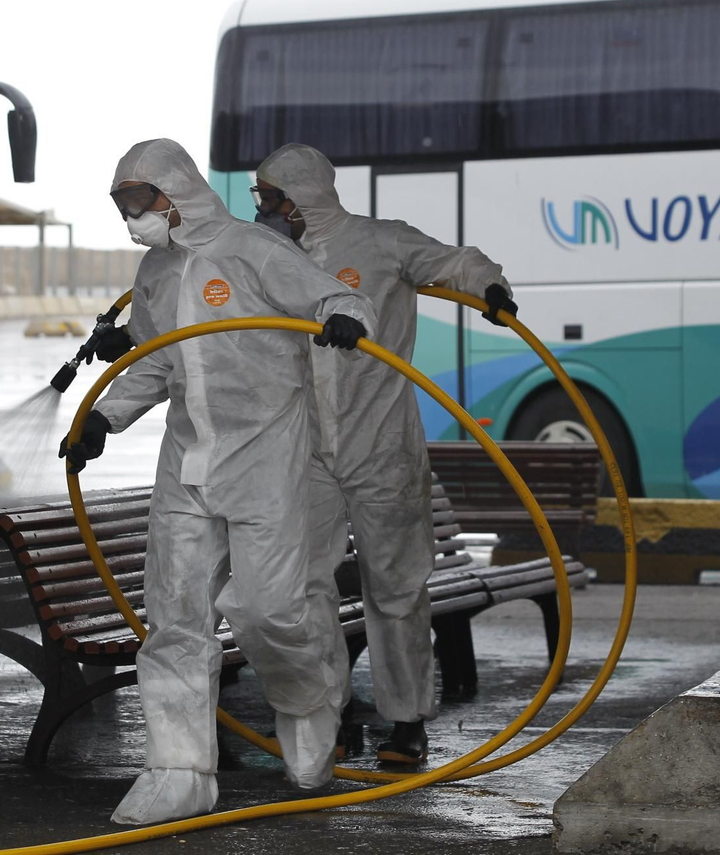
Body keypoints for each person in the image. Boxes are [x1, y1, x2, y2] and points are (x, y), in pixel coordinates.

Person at [60, 138, 377, 825]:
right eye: (122, 205)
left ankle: (309, 700)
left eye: (139, 201)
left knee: (268, 608)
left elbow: (336, 296)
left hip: (266, 452)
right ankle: (179, 768)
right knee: (174, 616)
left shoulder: (255, 252)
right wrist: (103, 417)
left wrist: (345, 317)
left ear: (174, 192)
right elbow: (153, 360)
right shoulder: (156, 272)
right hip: (188, 460)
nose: (131, 217)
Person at [252, 142, 516, 768]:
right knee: (306, 586)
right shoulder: (265, 261)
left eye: (269, 198)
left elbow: (458, 262)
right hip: (304, 447)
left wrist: (492, 289)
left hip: (382, 446)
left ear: (300, 198)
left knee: (396, 588)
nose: (261, 210)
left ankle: (405, 723)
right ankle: (329, 712)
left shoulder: (381, 243)